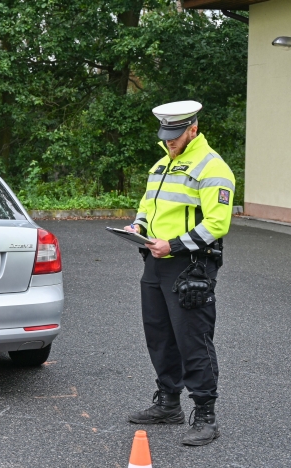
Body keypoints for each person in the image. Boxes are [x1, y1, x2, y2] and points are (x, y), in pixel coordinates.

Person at [124, 100, 235, 446]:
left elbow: (218, 223)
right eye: (166, 135)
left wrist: (173, 245)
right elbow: (147, 204)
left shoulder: (213, 167)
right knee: (160, 335)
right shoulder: (160, 165)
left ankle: (205, 415)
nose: (169, 141)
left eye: (175, 135)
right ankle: (169, 403)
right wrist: (138, 225)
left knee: (193, 338)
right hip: (156, 262)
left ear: (193, 130)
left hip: (190, 265)